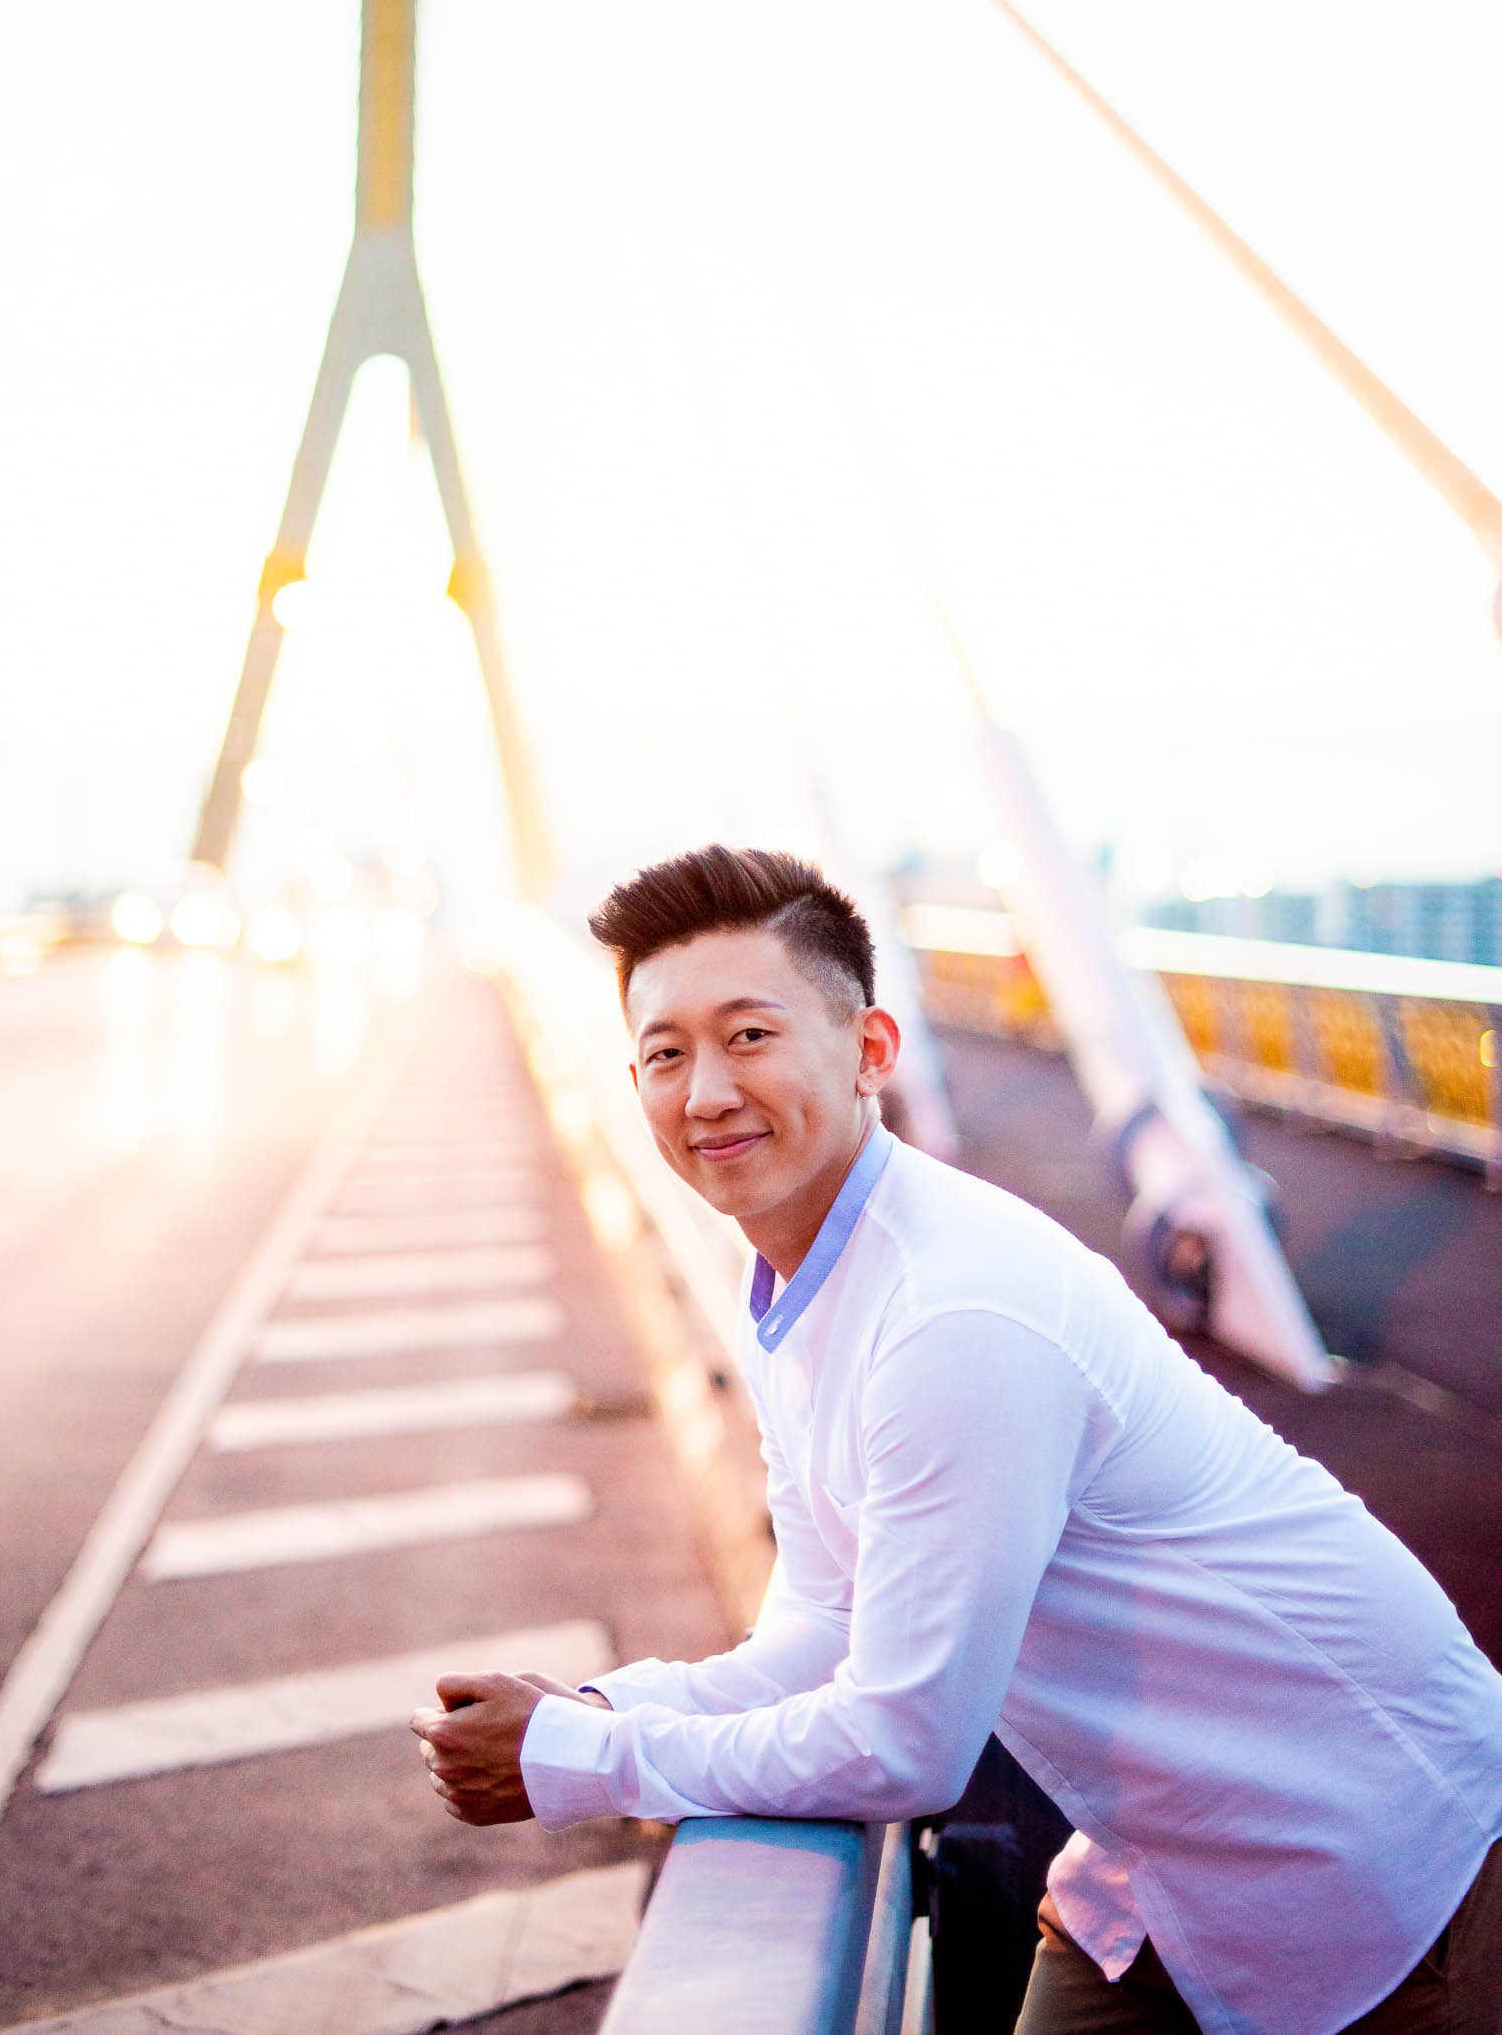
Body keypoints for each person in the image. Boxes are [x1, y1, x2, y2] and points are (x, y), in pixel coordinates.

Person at [411, 846, 1502, 2035]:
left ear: (872, 1049)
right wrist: (598, 1709)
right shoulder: (798, 1287)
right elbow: (825, 1627)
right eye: (666, 1054)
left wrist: (580, 1760)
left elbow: (904, 1744)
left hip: (1380, 1842)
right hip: (1166, 1853)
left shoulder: (953, 1314)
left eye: (751, 1035)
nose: (707, 1091)